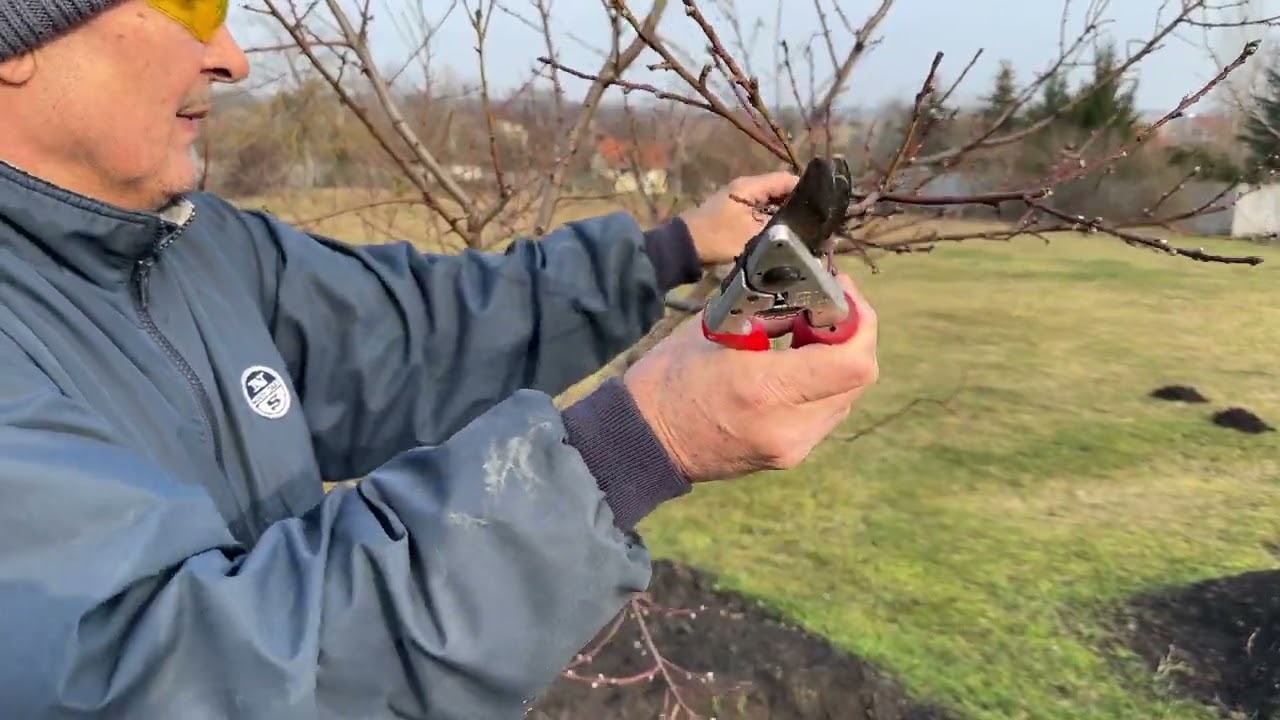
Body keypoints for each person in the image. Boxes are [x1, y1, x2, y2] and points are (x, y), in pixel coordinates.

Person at [0, 1, 879, 718]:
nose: (233, 56)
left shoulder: (193, 246)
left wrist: (670, 251)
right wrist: (641, 442)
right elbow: (165, 676)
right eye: (188, 5)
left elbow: (413, 333)